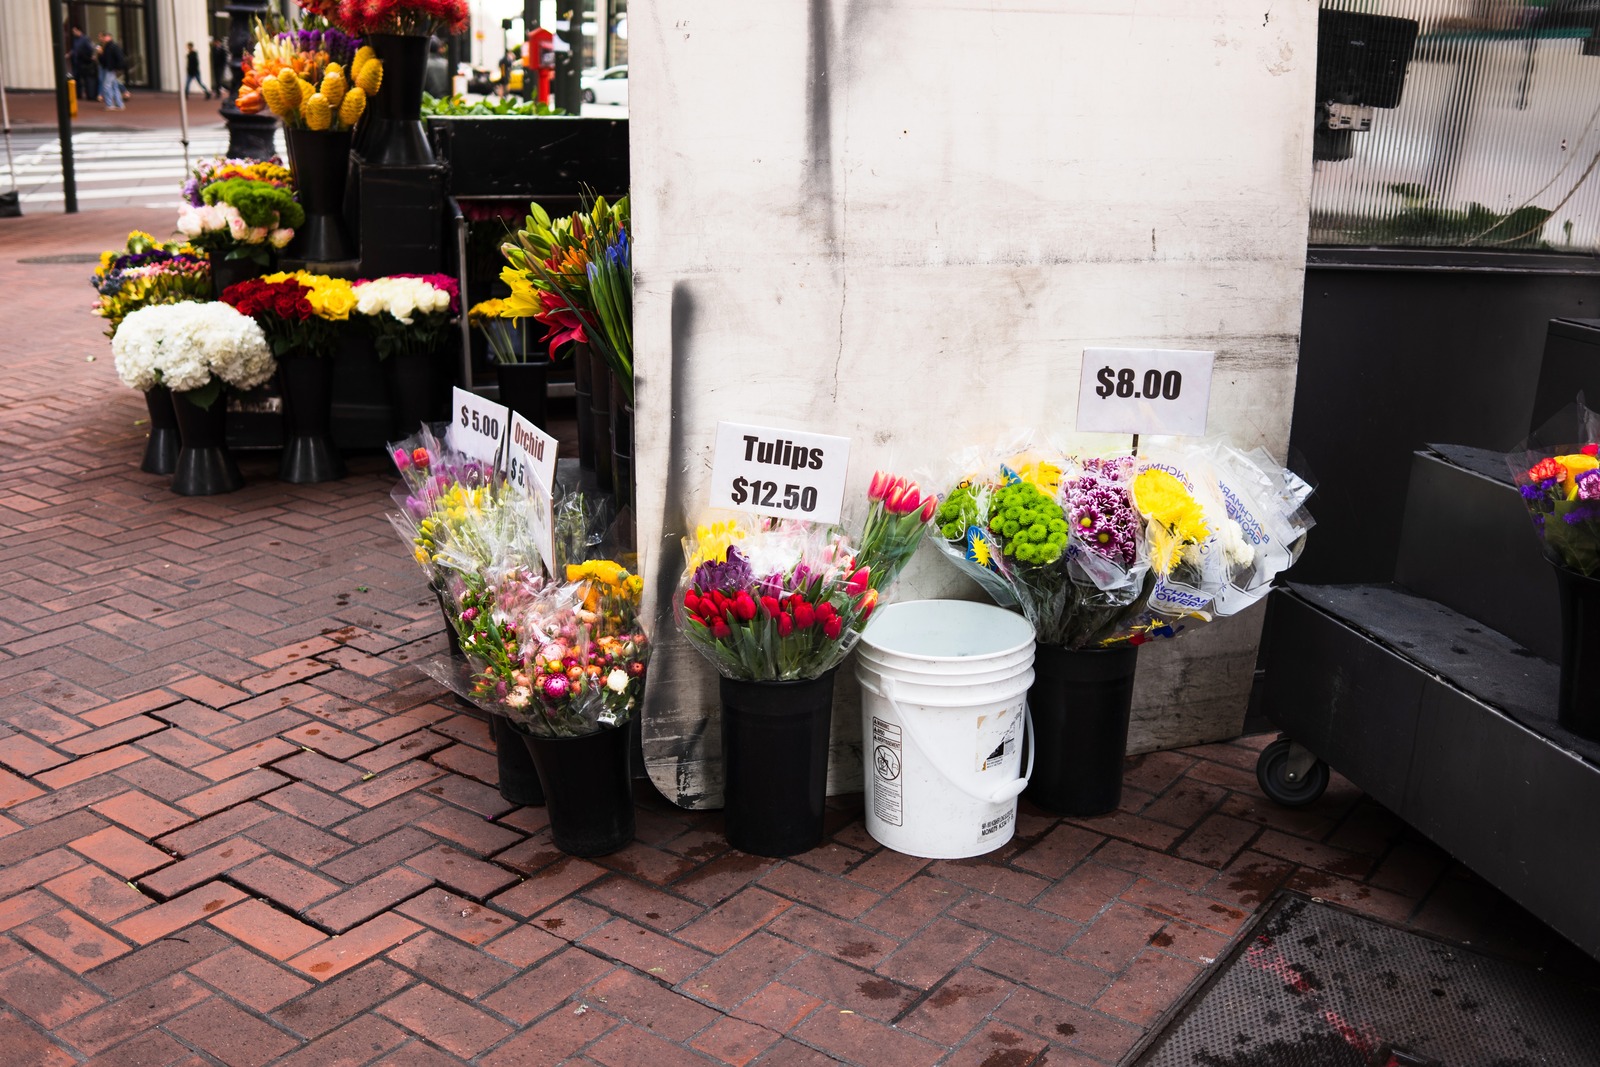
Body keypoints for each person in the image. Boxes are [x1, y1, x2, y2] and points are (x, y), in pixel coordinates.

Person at [98, 32, 126, 110]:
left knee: (106, 86)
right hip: (110, 69)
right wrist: (100, 54)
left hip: (111, 69)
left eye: (104, 37)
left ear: (109, 37)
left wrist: (117, 67)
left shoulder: (112, 47)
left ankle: (110, 104)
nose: (103, 39)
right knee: (114, 86)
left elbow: (119, 58)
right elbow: (104, 60)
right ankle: (119, 104)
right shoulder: (108, 47)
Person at [69, 27, 98, 101]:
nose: (73, 33)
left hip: (83, 61)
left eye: (74, 31)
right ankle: (78, 94)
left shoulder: (85, 39)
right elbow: (74, 49)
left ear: (79, 31)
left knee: (86, 78)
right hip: (76, 61)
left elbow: (90, 48)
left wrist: (91, 56)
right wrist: (70, 54)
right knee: (76, 78)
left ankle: (89, 94)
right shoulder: (75, 39)